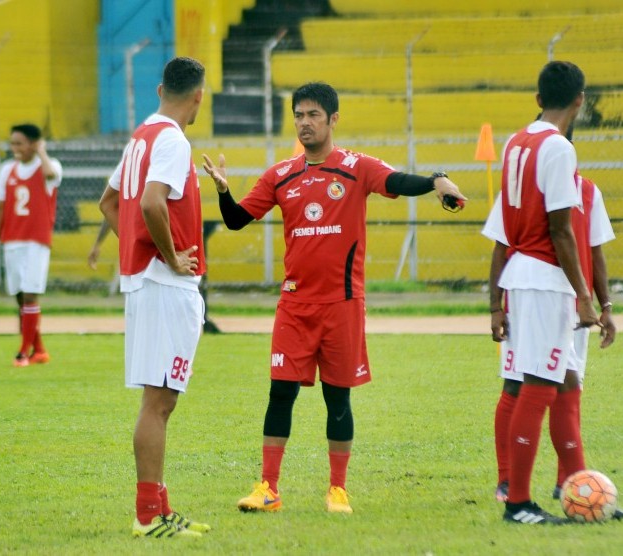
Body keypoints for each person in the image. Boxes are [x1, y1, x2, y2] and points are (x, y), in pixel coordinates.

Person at [202, 82, 466, 514]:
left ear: (333, 119)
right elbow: (235, 221)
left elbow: (397, 180)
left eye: (313, 116)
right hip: (294, 306)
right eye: (299, 116)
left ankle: (337, 489)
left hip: (342, 305)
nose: (305, 123)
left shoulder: (356, 168)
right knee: (280, 393)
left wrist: (436, 180)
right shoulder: (280, 175)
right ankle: (267, 487)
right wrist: (223, 190)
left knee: (337, 398)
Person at [99, 56, 211, 538]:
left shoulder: (140, 137)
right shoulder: (171, 140)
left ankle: (158, 508)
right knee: (159, 402)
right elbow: (150, 202)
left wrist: (136, 246)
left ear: (161, 88)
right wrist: (167, 256)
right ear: (198, 96)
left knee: (159, 398)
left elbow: (110, 203)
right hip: (164, 284)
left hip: (146, 282)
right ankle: (149, 515)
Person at [485, 61, 599, 525]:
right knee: (539, 384)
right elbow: (561, 229)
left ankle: (581, 489)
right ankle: (519, 502)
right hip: (545, 277)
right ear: (580, 100)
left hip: (521, 274)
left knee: (565, 380)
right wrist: (585, 294)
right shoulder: (558, 148)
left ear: (538, 98)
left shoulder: (516, 141)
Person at [486, 172, 620, 519]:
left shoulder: (588, 191)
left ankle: (573, 483)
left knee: (570, 382)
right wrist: (496, 306)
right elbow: (500, 248)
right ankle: (509, 486)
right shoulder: (517, 189)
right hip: (533, 297)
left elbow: (595, 250)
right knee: (519, 385)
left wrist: (604, 306)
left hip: (575, 303)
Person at [0, 124, 62, 367]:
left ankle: (23, 351)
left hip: (36, 243)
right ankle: (38, 350)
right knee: (20, 299)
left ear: (34, 144)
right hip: (12, 241)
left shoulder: (49, 166)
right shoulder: (8, 170)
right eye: (12, 143)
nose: (14, 148)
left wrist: (42, 152)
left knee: (30, 295)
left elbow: (50, 176)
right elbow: (0, 211)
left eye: (19, 143)